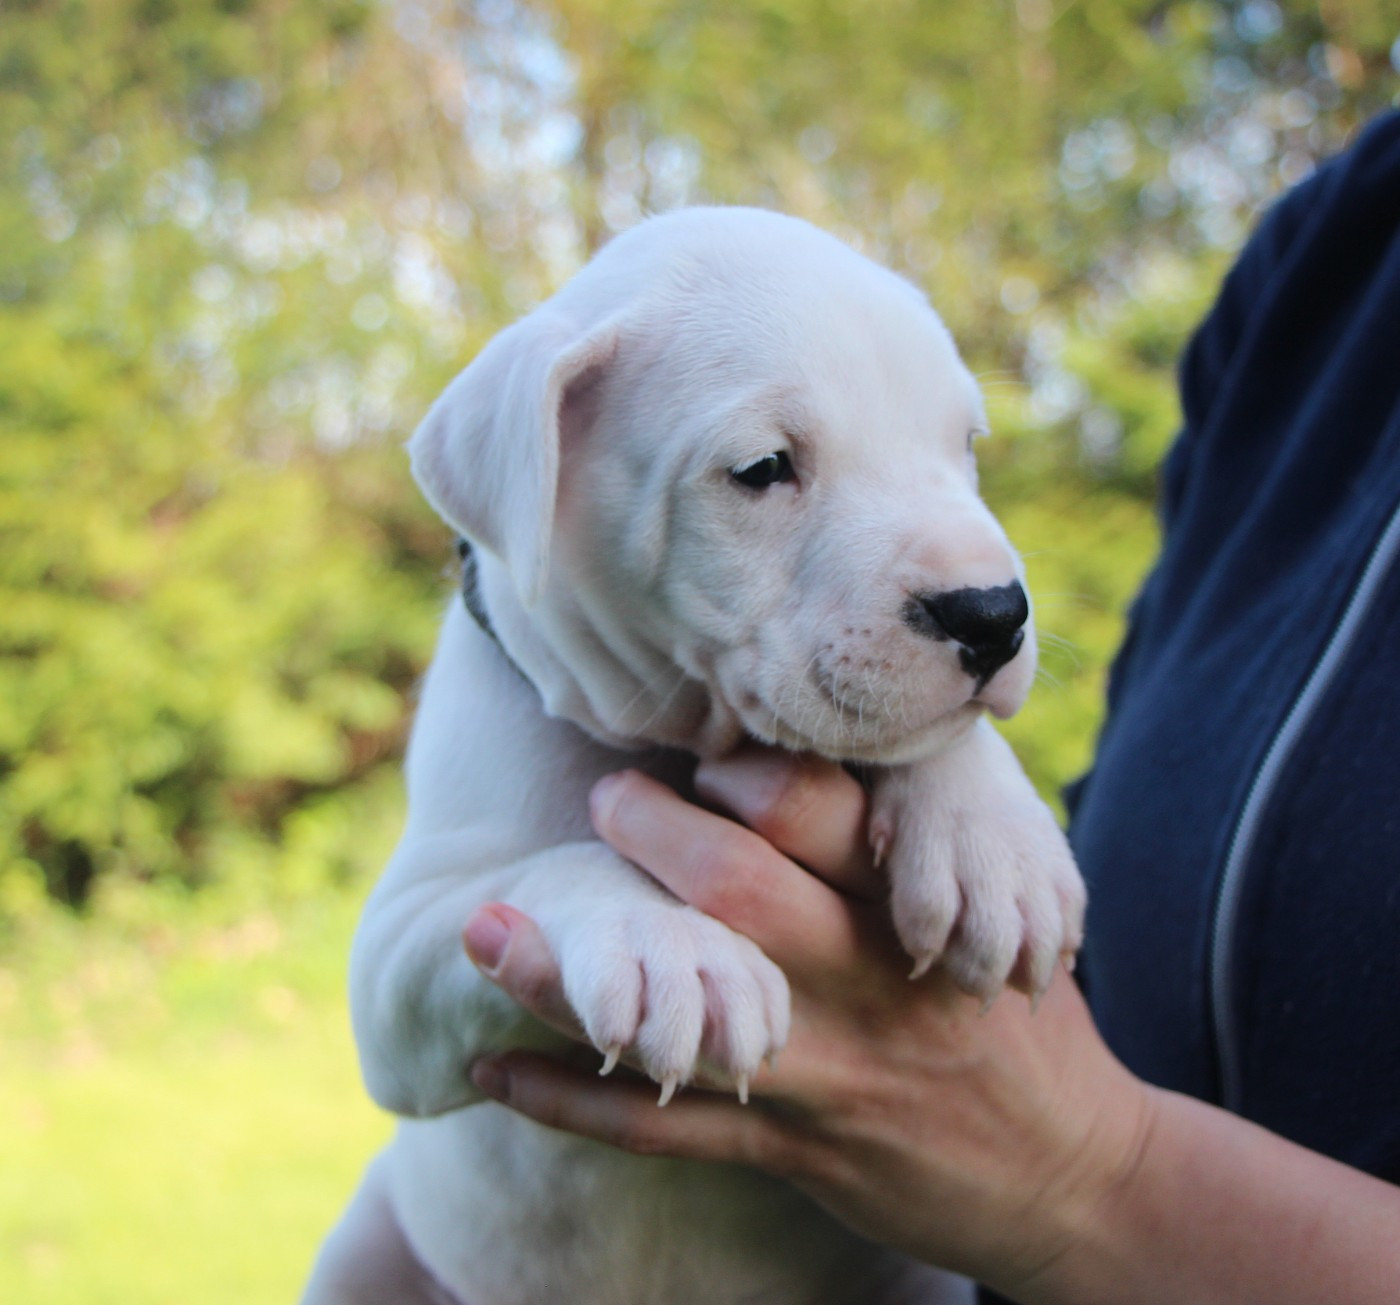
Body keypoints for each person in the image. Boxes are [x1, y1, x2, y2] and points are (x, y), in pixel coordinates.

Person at [457, 108, 1400, 1303]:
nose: (984, 584)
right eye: (763, 468)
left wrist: (1096, 1177)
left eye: (961, 447)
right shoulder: (1324, 253)